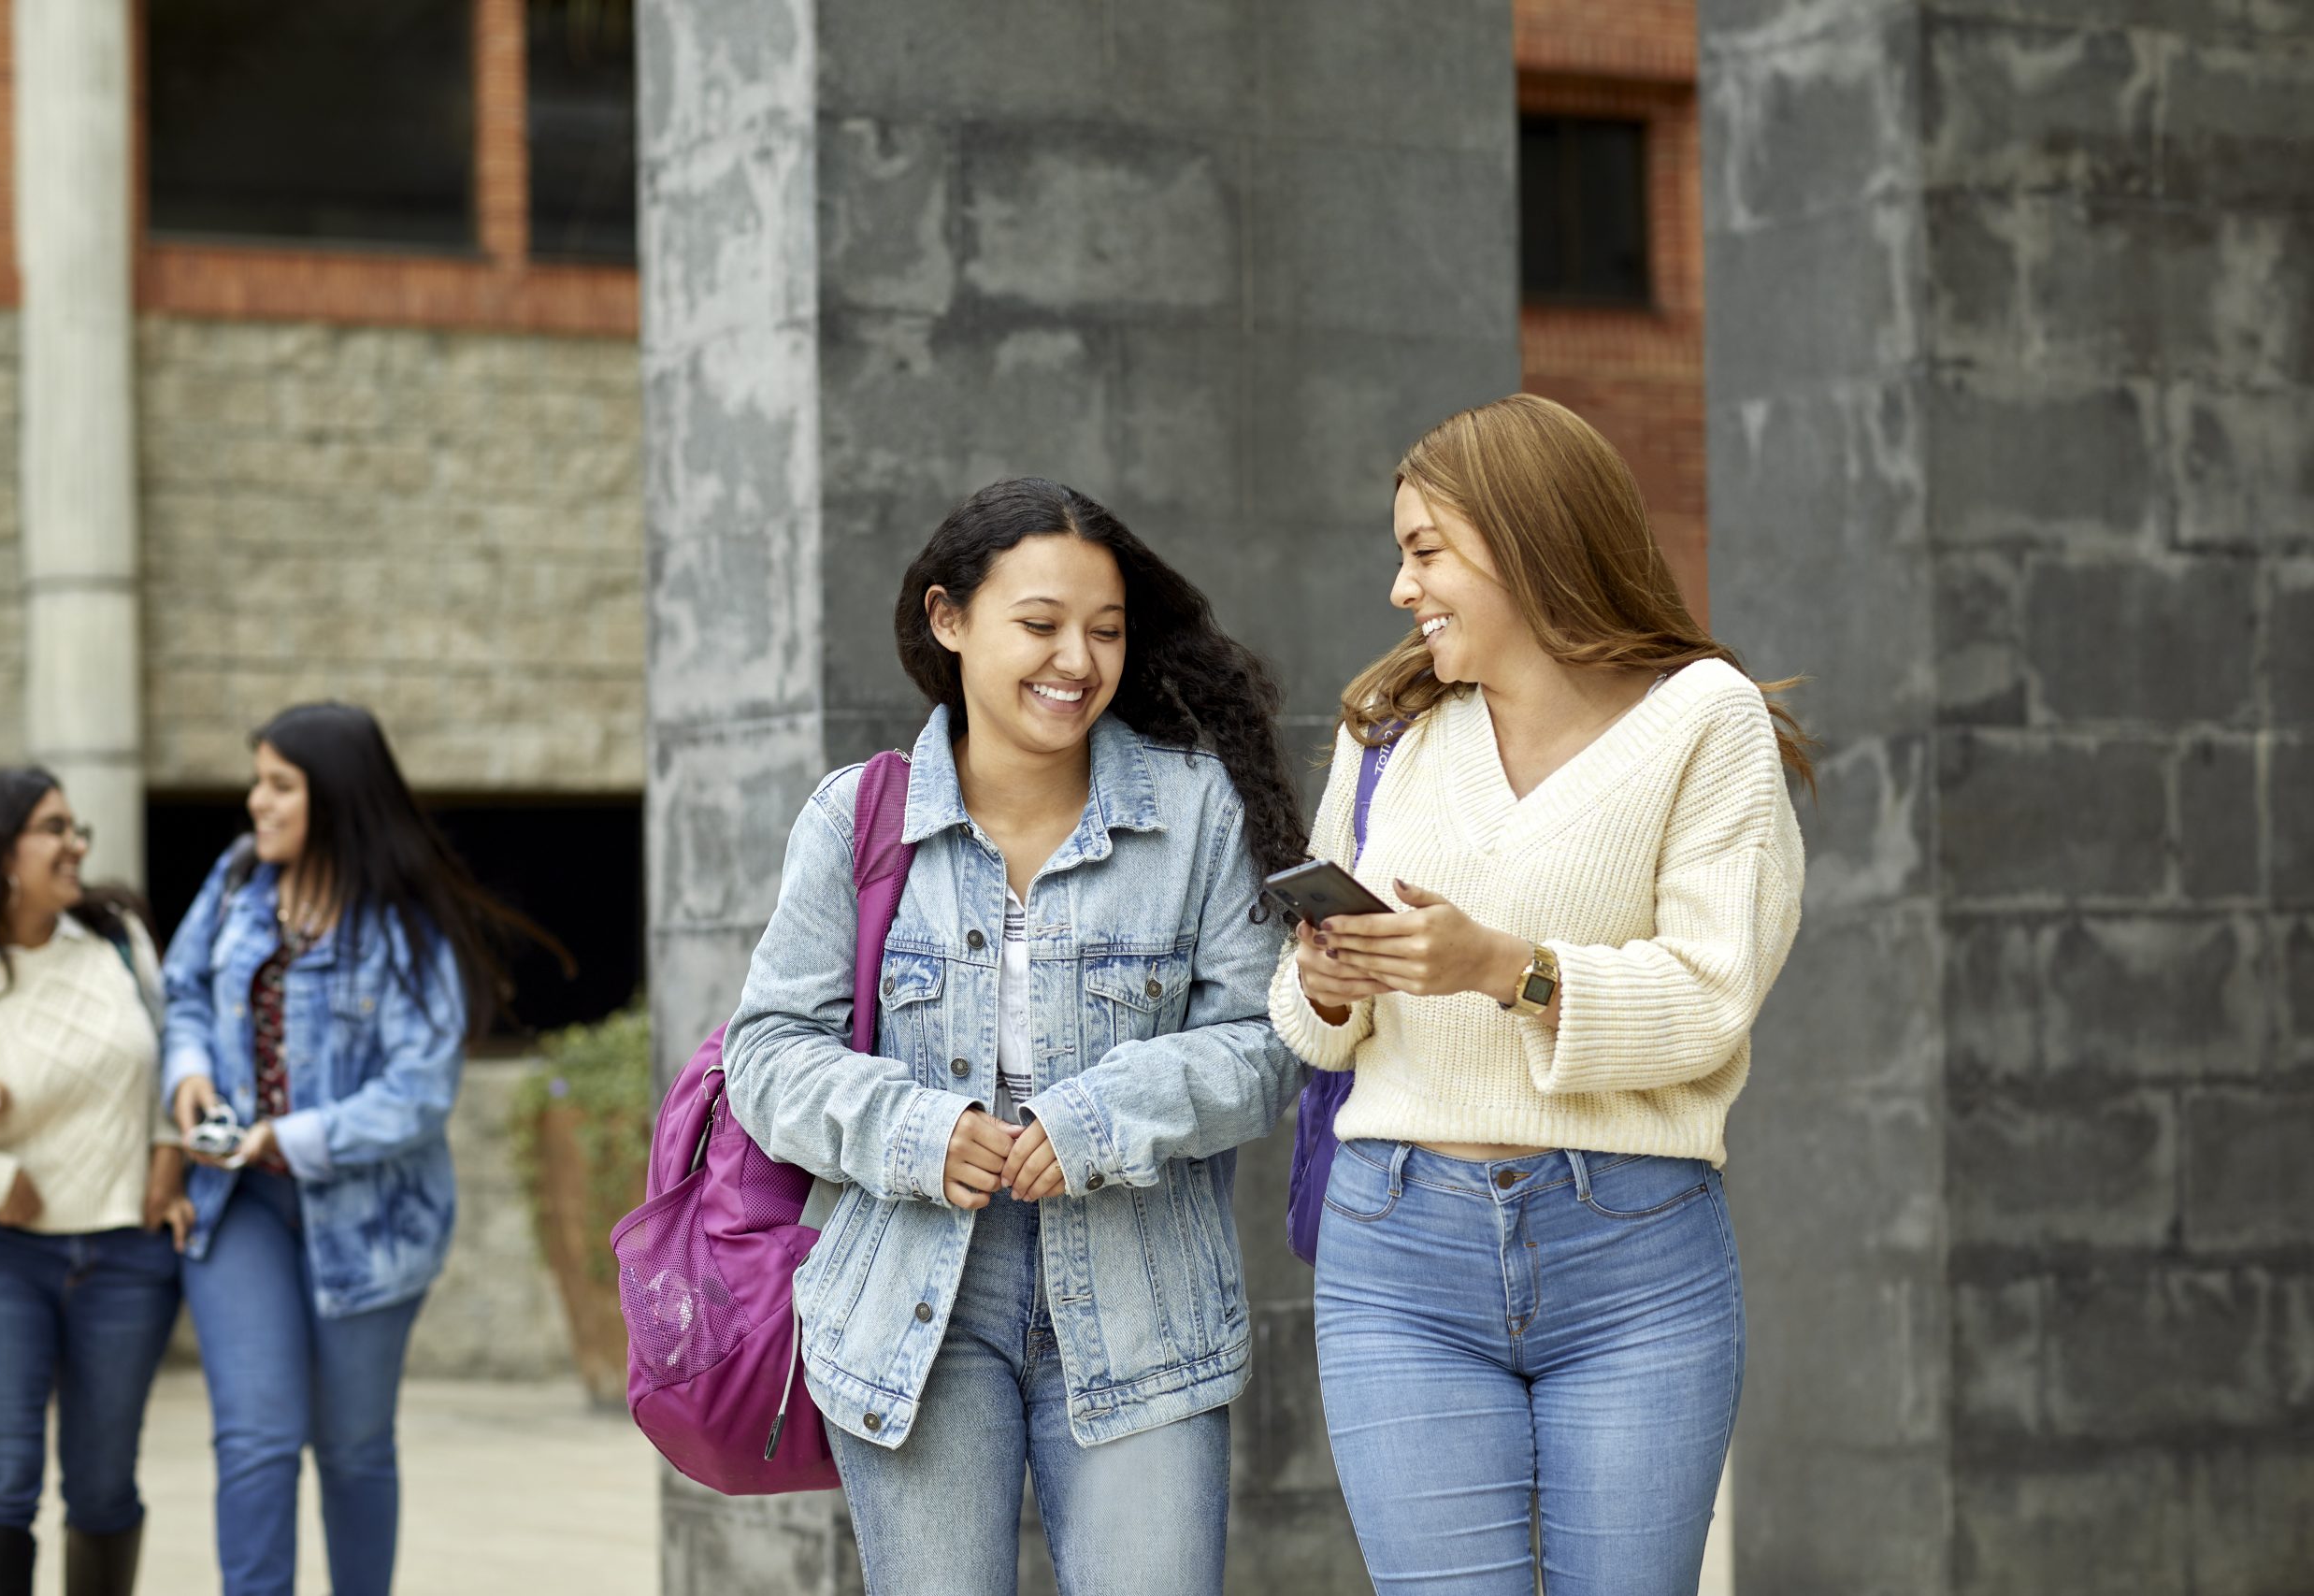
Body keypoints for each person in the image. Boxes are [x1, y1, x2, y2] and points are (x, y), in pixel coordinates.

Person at [725, 478, 1305, 1596]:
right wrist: (917, 1131)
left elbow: (1264, 1044)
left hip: (1145, 1300)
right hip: (911, 1303)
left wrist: (1097, 1117)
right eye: (1039, 626)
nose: (1076, 662)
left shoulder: (1196, 815)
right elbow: (767, 1053)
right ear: (949, 620)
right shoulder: (859, 817)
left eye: (1105, 631)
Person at [1272, 394, 1812, 1595]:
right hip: (1396, 1248)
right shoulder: (1386, 731)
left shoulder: (1701, 722)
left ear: (1526, 540)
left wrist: (1504, 969)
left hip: (1631, 1254)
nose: (1400, 590)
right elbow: (1311, 1020)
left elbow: (1714, 996)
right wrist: (1327, 977)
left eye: (1424, 552)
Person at [163, 702, 551, 1596]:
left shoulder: (404, 927)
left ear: (332, 798)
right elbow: (182, 991)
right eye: (256, 779)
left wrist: (281, 1136)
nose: (255, 801)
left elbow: (417, 1094)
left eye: (279, 785)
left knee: (352, 1447)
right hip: (241, 1206)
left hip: (371, 1222)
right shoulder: (234, 882)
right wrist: (186, 1072)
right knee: (257, 1437)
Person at [0, 769, 190, 1596]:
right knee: (1, 1481)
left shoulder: (119, 941)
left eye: (77, 828)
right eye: (54, 828)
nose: (77, 844)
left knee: (104, 1486)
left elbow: (170, 1062)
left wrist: (168, 1158)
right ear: (0, 851)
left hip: (128, 1257)